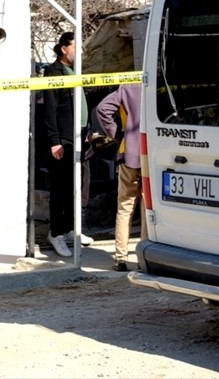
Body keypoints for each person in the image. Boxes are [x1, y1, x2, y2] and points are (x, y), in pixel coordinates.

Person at [38, 31, 93, 258]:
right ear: (63, 49)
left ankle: (70, 228)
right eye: (75, 47)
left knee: (74, 187)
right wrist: (55, 142)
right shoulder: (54, 72)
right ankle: (56, 232)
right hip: (62, 140)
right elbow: (49, 111)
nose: (78, 52)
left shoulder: (75, 71)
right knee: (60, 188)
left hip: (79, 137)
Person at [94, 82, 144, 271]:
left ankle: (121, 259)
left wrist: (117, 134)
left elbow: (102, 109)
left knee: (125, 208)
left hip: (128, 152)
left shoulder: (126, 88)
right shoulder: (154, 86)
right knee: (147, 210)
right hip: (150, 153)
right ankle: (143, 259)